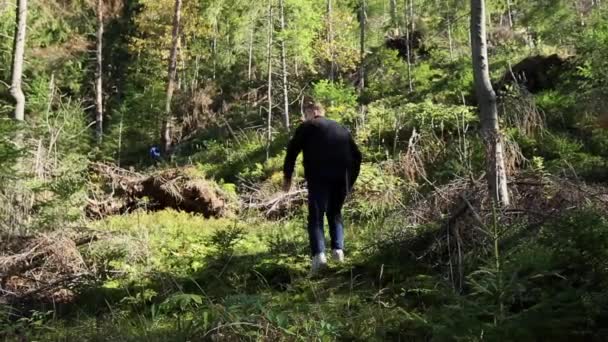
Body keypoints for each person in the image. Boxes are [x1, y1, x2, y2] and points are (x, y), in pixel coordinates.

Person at [283, 101, 362, 273]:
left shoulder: (307, 126)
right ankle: (338, 252)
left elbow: (292, 151)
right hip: (342, 177)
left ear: (313, 112)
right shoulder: (341, 128)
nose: (305, 116)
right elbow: (357, 155)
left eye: (306, 113)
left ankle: (319, 258)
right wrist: (350, 182)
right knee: (335, 213)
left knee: (316, 216)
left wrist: (287, 176)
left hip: (318, 176)